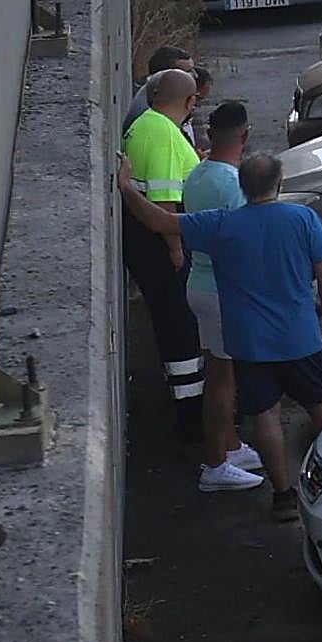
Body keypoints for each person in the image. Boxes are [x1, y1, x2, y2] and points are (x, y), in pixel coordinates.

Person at [118, 151, 322, 522]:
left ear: (242, 186)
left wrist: (126, 185)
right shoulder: (303, 218)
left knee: (266, 415)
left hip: (249, 342)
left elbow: (160, 221)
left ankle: (283, 496)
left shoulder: (222, 226)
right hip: (300, 336)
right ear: (279, 184)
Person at [182, 102, 264, 492]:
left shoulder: (198, 174)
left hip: (201, 282)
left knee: (220, 371)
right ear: (245, 137)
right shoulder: (233, 185)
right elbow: (244, 242)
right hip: (223, 291)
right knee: (221, 379)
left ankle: (230, 447)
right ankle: (215, 465)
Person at [122, 68, 206, 442]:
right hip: (161, 247)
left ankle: (185, 401)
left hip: (142, 244)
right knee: (181, 327)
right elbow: (166, 201)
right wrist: (176, 250)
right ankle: (191, 416)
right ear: (191, 103)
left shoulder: (144, 124)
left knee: (172, 324)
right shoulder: (166, 136)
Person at [123, 46, 194, 136]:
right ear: (169, 75)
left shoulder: (156, 97)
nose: (195, 75)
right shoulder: (151, 111)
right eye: (188, 71)